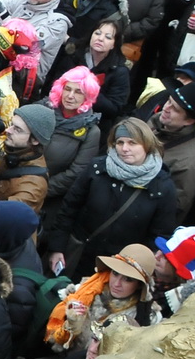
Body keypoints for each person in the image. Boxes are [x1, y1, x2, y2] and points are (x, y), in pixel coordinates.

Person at [44, 117, 182, 278]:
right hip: (78, 257)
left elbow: (159, 236)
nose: (124, 148)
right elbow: (68, 209)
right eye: (120, 142)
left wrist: (132, 271)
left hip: (118, 271)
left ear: (147, 144)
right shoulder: (97, 169)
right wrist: (57, 248)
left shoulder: (162, 187)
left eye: (132, 143)